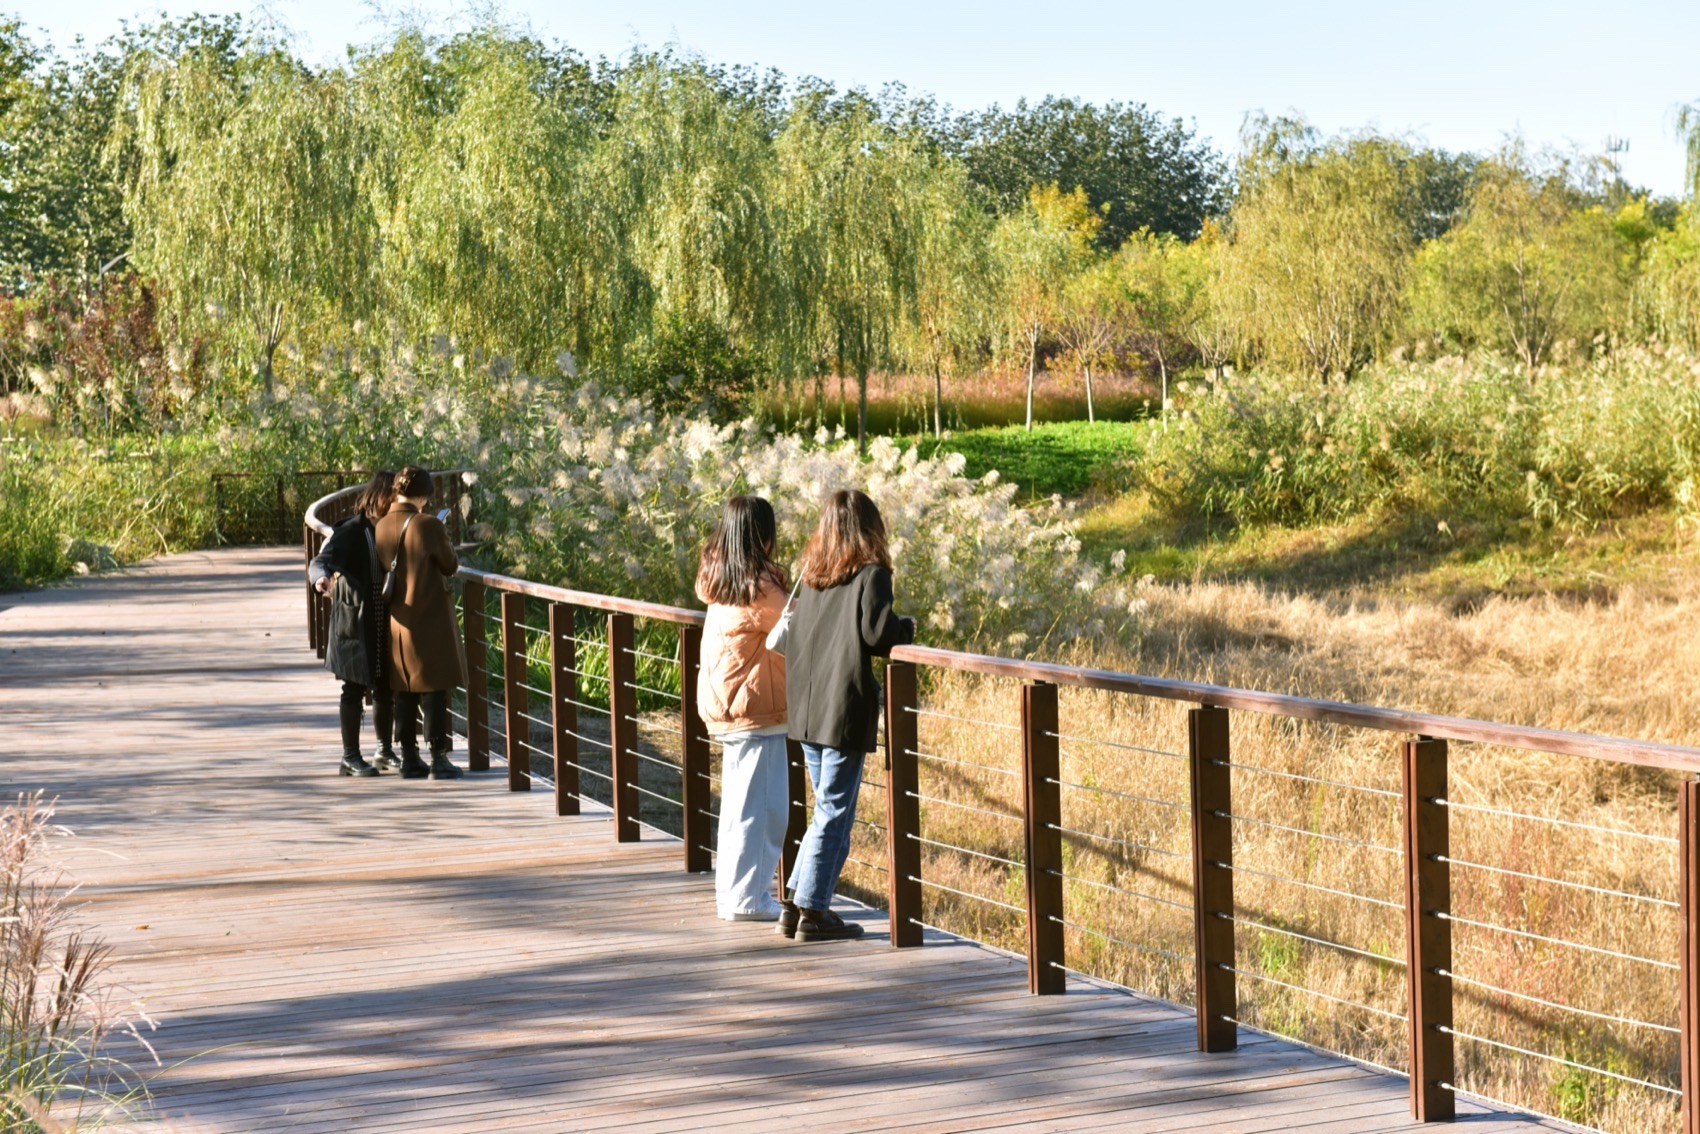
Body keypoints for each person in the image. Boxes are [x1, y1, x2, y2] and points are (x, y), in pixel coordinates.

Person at [780, 489, 914, 942]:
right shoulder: (871, 575)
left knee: (825, 810)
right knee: (833, 812)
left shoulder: (814, 575)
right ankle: (813, 912)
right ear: (869, 527)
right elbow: (878, 632)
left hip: (808, 710)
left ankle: (795, 903)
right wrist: (906, 629)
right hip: (841, 711)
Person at [695, 496, 791, 922]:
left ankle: (733, 895)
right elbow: (798, 626)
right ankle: (749, 898)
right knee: (765, 809)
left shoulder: (721, 579)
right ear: (763, 536)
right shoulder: (760, 587)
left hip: (729, 706)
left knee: (738, 808)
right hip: (755, 710)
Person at [376, 466, 466, 780]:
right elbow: (450, 564)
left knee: (405, 688)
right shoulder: (428, 525)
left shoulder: (382, 525)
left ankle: (409, 758)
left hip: (399, 619)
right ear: (423, 495)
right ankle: (438, 758)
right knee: (434, 687)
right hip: (430, 617)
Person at [309, 470, 397, 777]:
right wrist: (320, 579)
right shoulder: (353, 529)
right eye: (393, 497)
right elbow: (321, 559)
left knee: (386, 684)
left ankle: (384, 751)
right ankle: (350, 757)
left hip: (383, 619)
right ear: (379, 497)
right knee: (354, 687)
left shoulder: (393, 529)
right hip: (355, 621)